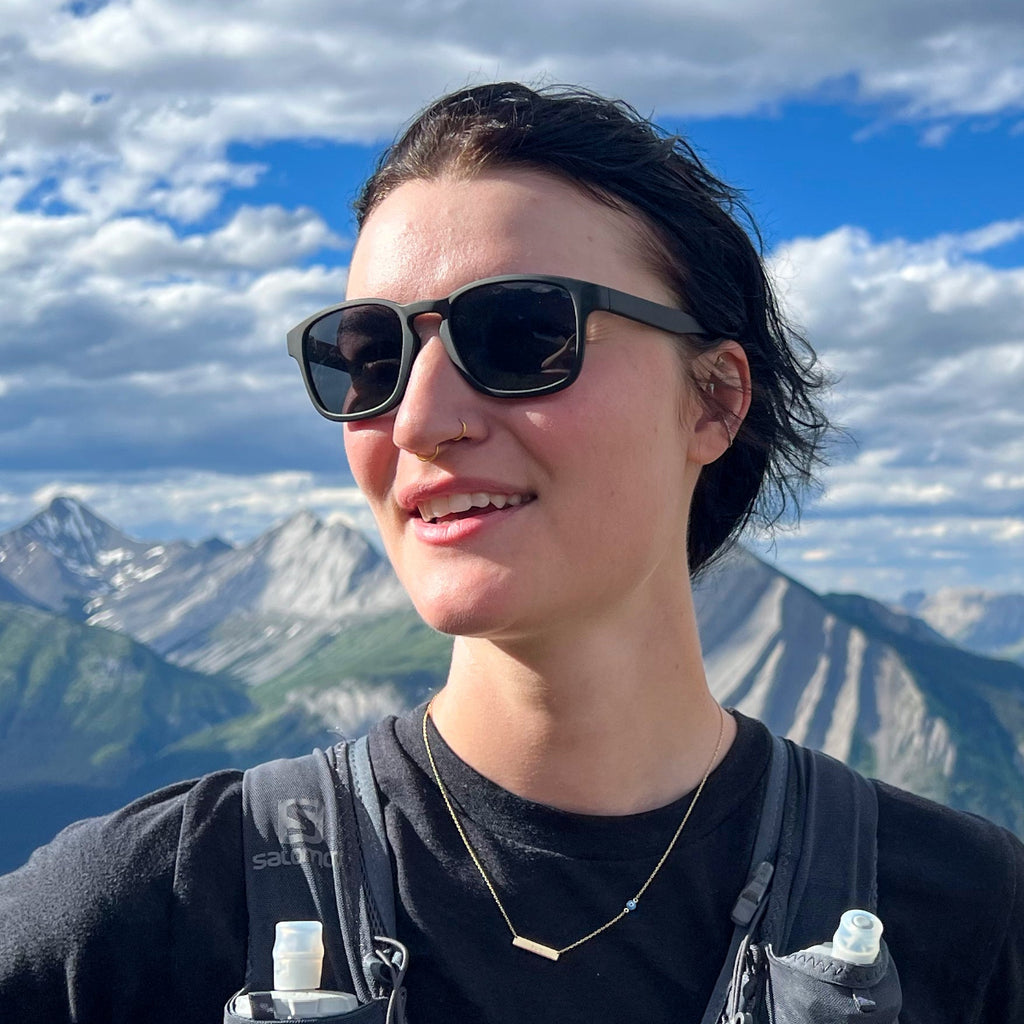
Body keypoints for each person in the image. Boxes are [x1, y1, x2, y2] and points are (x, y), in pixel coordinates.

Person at [1, 81, 1022, 1024]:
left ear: (713, 399)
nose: (418, 418)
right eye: (369, 359)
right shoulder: (153, 910)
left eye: (524, 335)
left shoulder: (977, 922)